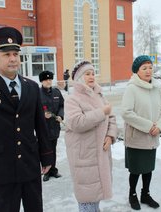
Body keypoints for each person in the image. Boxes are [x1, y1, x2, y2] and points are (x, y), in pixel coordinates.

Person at [0, 26, 53, 212]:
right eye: (6, 54)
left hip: (29, 162)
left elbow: (40, 124)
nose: (13, 59)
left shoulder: (31, 87)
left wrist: (46, 156)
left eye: (15, 54)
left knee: (35, 207)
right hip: (0, 167)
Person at [64, 60, 117, 212]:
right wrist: (102, 113)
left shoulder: (99, 95)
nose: (91, 76)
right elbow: (77, 123)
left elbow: (111, 118)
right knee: (87, 198)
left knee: (96, 194)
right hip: (84, 155)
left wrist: (110, 136)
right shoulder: (72, 99)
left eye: (93, 73)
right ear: (80, 78)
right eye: (87, 74)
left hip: (100, 153)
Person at [121, 55, 161, 210]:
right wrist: (149, 126)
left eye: (150, 67)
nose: (148, 71)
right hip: (137, 138)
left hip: (153, 137)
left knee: (148, 168)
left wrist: (159, 126)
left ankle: (145, 194)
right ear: (137, 71)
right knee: (136, 170)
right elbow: (126, 113)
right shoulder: (131, 88)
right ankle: (132, 194)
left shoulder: (155, 88)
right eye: (144, 68)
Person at [39, 70, 64, 182]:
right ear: (41, 81)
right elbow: (32, 109)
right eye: (46, 80)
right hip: (43, 128)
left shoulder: (56, 93)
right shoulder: (37, 93)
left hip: (54, 127)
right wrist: (42, 115)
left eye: (50, 79)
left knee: (53, 149)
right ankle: (46, 171)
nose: (48, 82)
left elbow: (61, 106)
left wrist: (60, 116)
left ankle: (53, 170)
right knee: (45, 150)